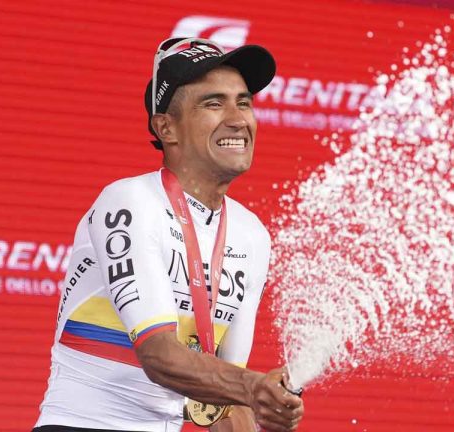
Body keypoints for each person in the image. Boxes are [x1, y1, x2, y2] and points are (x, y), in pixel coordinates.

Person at [33, 37, 304, 432]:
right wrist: (252, 388)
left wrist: (263, 409)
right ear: (166, 127)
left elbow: (223, 399)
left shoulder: (252, 236)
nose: (238, 119)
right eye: (214, 104)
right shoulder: (130, 200)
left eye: (244, 102)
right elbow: (158, 354)